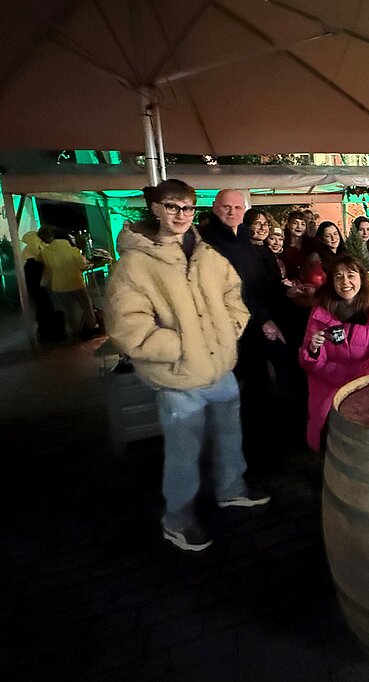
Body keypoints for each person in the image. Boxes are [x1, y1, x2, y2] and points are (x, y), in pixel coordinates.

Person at [105, 179, 269, 552]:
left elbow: (233, 294)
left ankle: (231, 490)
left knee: (230, 435)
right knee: (183, 453)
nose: (181, 215)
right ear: (156, 208)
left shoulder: (206, 253)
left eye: (187, 207)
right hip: (179, 376)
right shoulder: (135, 264)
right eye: (172, 206)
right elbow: (126, 328)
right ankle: (177, 520)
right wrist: (182, 348)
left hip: (220, 368)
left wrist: (228, 331)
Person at [199, 189, 291, 468]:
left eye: (238, 207)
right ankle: (247, 458)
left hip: (258, 326)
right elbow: (234, 291)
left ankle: (262, 451)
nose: (232, 212)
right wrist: (265, 319)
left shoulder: (242, 240)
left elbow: (258, 284)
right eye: (226, 207)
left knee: (261, 388)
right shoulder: (209, 245)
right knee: (242, 394)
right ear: (215, 208)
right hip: (234, 331)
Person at [299, 255, 369, 451]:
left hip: (365, 379)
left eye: (351, 275)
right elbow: (310, 363)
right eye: (339, 277)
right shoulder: (320, 312)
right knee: (330, 429)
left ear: (362, 278)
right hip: (329, 381)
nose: (345, 282)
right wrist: (313, 349)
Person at [37, 226, 102, 338]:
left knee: (68, 310)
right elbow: (82, 265)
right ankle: (93, 328)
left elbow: (47, 268)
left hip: (59, 285)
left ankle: (75, 331)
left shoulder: (44, 252)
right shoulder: (70, 249)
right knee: (86, 306)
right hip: (76, 282)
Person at [21, 230, 60, 342]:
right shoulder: (38, 248)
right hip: (36, 276)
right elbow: (46, 261)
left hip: (31, 277)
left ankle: (44, 332)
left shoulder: (30, 247)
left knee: (42, 304)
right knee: (45, 304)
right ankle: (47, 333)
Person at [282, 210, 308, 280]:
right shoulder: (282, 246)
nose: (299, 227)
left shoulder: (311, 245)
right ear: (288, 225)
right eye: (295, 223)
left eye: (303, 224)